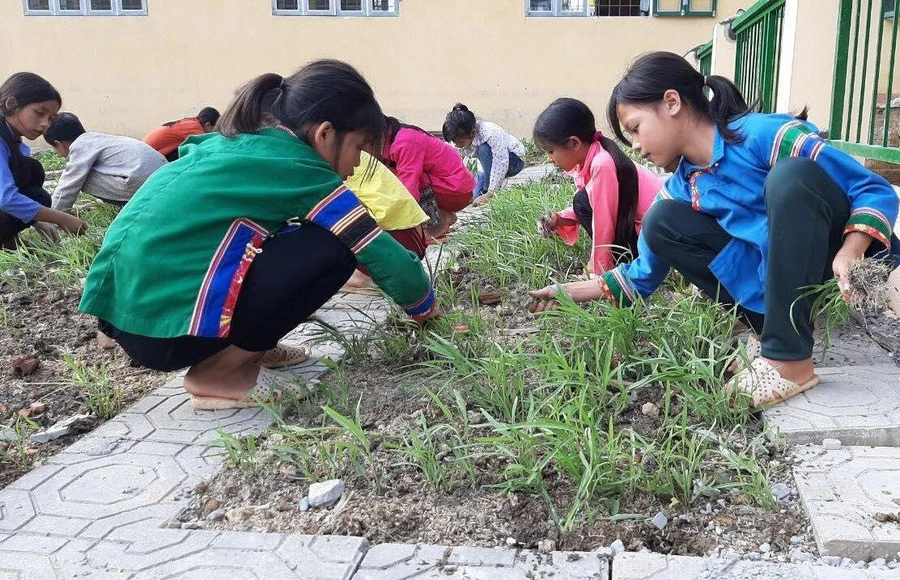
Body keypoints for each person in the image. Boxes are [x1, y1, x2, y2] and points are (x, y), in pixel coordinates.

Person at [529, 51, 900, 407]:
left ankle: (788, 360)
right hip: (787, 280)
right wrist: (564, 292)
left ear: (671, 102)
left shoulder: (762, 135)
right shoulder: (683, 186)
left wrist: (852, 249)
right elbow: (641, 275)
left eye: (636, 129)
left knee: (790, 177)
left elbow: (871, 187)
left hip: (842, 263)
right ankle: (770, 328)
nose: (637, 146)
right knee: (661, 223)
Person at [79, 60, 437, 410]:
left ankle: (246, 350)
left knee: (292, 235)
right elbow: (378, 250)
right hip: (166, 336)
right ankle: (219, 374)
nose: (358, 164)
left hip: (131, 319)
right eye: (359, 149)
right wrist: (426, 311)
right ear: (325, 133)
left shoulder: (231, 144)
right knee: (333, 250)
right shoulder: (299, 167)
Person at [531, 97, 661, 276]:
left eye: (551, 151)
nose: (549, 158)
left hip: (654, 240)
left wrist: (597, 270)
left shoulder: (602, 164)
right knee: (582, 200)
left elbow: (603, 220)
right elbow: (593, 204)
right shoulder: (597, 156)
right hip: (649, 233)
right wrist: (559, 219)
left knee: (581, 200)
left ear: (574, 143)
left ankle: (619, 264)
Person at [0, 72, 85, 250]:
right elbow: (5, 198)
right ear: (12, 104)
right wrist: (60, 217)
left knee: (32, 170)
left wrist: (35, 221)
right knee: (38, 195)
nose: (46, 124)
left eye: (51, 118)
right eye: (39, 113)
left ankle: (7, 236)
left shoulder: (10, 137)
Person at [44, 112, 166, 213]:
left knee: (78, 176)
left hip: (146, 186)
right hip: (164, 177)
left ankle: (132, 207)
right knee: (84, 171)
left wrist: (55, 217)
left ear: (59, 144)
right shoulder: (96, 139)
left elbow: (67, 186)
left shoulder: (79, 146)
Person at [342, 150, 429, 290]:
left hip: (397, 240)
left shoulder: (321, 155)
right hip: (410, 238)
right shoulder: (348, 148)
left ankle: (363, 276)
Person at [381, 115, 476, 240]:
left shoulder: (405, 142)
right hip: (447, 188)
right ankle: (441, 217)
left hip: (457, 190)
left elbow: (408, 191)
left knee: (411, 179)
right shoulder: (388, 142)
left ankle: (434, 227)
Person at [442, 104, 525, 205]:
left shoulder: (490, 132)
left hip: (513, 160)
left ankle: (490, 189)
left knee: (483, 149)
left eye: (461, 143)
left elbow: (501, 162)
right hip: (485, 165)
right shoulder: (458, 138)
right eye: (455, 143)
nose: (458, 146)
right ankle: (487, 187)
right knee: (475, 197)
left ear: (473, 132)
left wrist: (489, 193)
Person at [143, 107, 220, 161]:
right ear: (208, 125)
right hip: (150, 154)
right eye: (215, 129)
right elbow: (209, 144)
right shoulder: (195, 127)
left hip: (148, 149)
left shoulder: (190, 122)